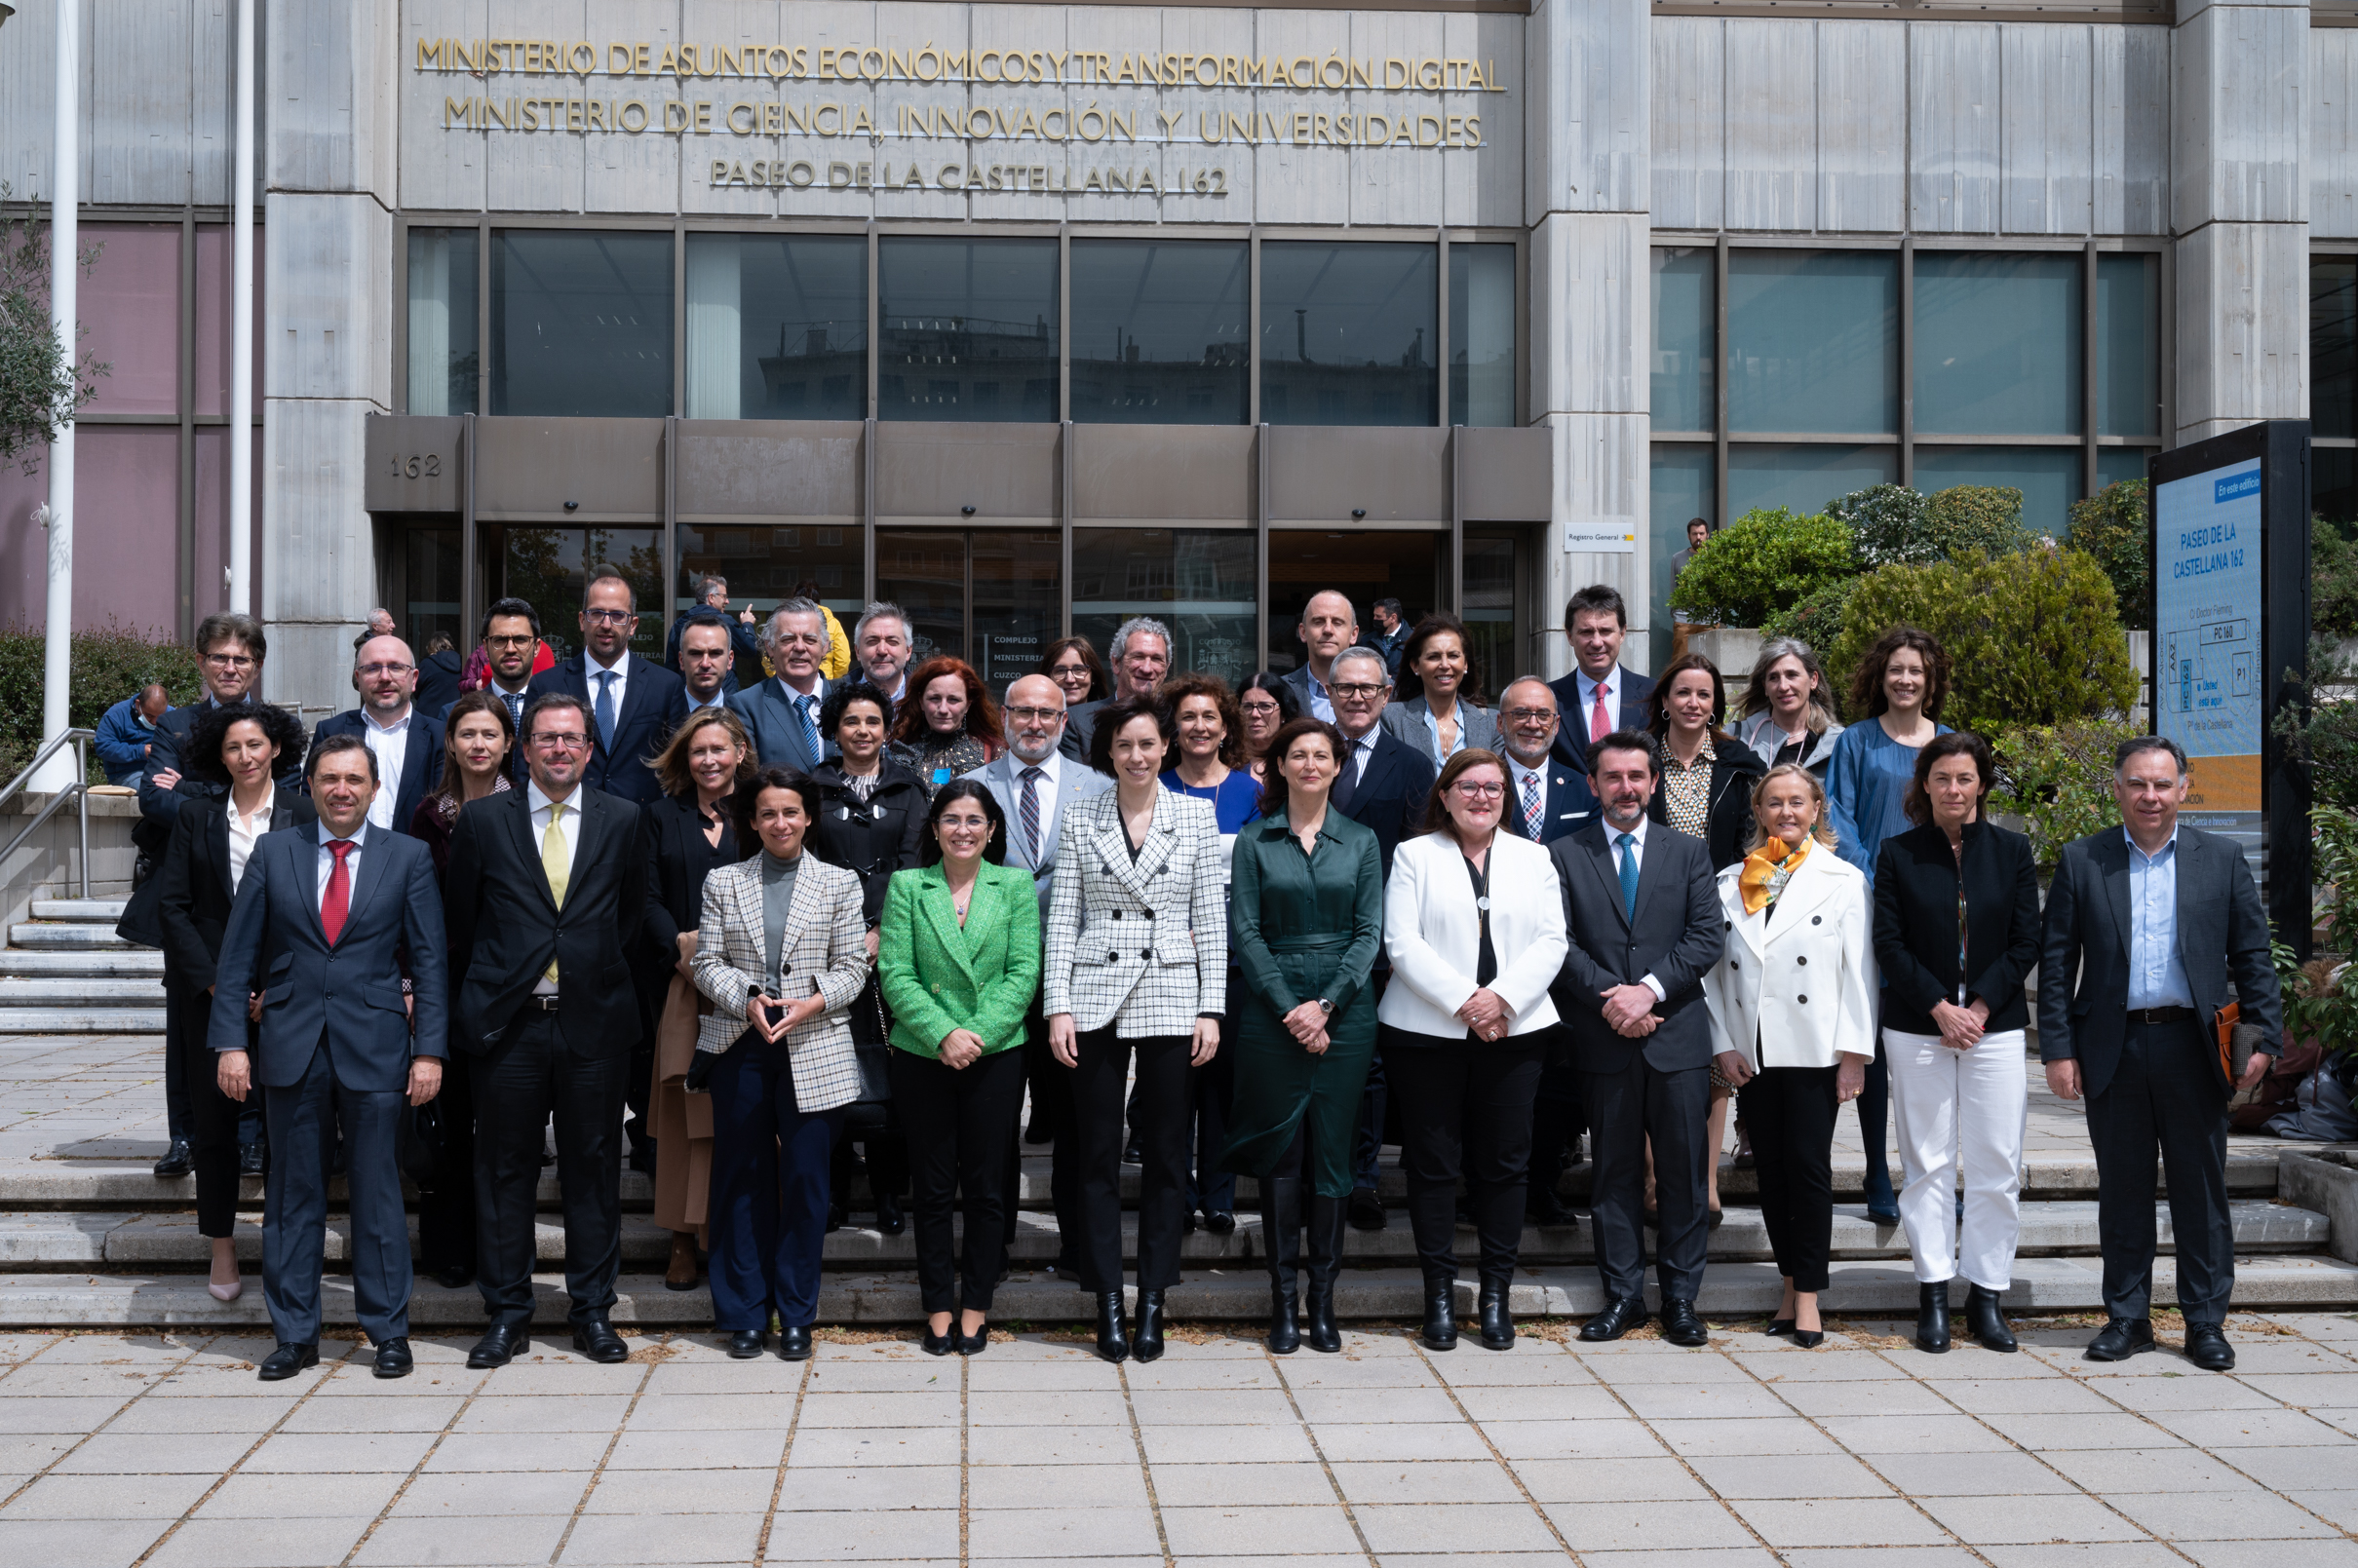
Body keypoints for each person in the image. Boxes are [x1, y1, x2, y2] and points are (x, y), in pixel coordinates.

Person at [208, 733, 448, 1381]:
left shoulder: (407, 856)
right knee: (293, 1198)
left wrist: (429, 1051)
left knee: (378, 1195)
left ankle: (389, 1331)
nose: (342, 790)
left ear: (374, 788)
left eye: (354, 779)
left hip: (377, 1048)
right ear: (309, 786)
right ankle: (294, 1335)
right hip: (292, 1047)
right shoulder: (274, 851)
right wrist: (230, 1043)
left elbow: (429, 962)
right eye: (330, 779)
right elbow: (237, 956)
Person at [2039, 736, 2281, 1373]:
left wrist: (2263, 1039)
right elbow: (2057, 962)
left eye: (2162, 783)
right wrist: (2058, 1050)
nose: (2150, 796)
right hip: (2111, 1046)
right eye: (2138, 783)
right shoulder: (2083, 859)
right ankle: (2128, 1318)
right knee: (2123, 1189)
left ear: (2183, 788)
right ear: (2118, 788)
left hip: (2192, 1046)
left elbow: (2252, 956)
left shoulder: (2220, 859)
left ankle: (2204, 1322)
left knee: (2200, 1189)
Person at [444, 692, 648, 1370]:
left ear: (589, 749)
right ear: (523, 748)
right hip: (510, 1026)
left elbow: (627, 917)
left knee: (594, 1168)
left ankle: (592, 1310)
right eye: (546, 738)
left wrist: (585, 969)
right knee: (504, 1170)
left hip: (595, 1023)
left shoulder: (624, 817)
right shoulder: (482, 821)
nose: (559, 749)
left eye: (571, 739)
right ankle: (507, 1313)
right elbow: (463, 920)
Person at [1043, 696, 1227, 1364]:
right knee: (1095, 1152)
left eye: (1147, 743)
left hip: (1172, 990)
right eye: (1124, 745)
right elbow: (1063, 916)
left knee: (1167, 1155)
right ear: (1109, 752)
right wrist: (1056, 1005)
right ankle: (1106, 1300)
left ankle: (1152, 1297)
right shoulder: (1081, 814)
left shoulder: (1195, 815)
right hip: (1093, 991)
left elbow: (1210, 918)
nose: (1136, 756)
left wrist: (1212, 1007)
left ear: (1166, 747)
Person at [1379, 749, 1568, 1352]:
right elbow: (1401, 942)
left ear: (1506, 797)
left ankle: (1494, 1296)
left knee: (1505, 1166)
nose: (1481, 797)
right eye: (1468, 786)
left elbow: (1552, 940)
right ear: (1445, 794)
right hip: (1428, 1034)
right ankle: (1438, 1295)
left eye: (1493, 787)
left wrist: (1502, 1000)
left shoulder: (1535, 857)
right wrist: (1467, 1001)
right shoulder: (1414, 855)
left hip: (1515, 1031)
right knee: (1433, 1166)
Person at [1548, 731, 1723, 1347]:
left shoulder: (1689, 852)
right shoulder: (1563, 854)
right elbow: (1557, 942)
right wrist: (1614, 1000)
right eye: (1613, 777)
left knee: (1682, 1174)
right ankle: (1623, 1296)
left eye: (1636, 776)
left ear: (1653, 782)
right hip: (1603, 1038)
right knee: (1613, 1174)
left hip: (1677, 1037)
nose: (1626, 788)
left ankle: (1680, 1299)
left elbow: (1706, 937)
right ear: (1593, 784)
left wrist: (1646, 991)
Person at [690, 767, 871, 1362]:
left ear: (809, 817)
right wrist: (746, 998)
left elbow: (854, 967)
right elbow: (706, 961)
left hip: (814, 1042)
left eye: (790, 811)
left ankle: (796, 1313)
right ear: (752, 820)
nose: (780, 822)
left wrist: (810, 1002)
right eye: (767, 813)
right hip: (739, 1043)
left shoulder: (840, 883)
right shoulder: (723, 881)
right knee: (740, 1179)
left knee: (806, 1182)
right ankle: (744, 1313)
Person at [138, 702, 313, 1303]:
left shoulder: (303, 814)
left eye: (255, 745)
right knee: (214, 1126)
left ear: (277, 749)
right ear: (220, 754)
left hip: (287, 995)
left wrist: (275, 987)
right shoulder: (196, 816)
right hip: (210, 995)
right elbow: (175, 907)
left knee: (287, 1126)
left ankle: (285, 1244)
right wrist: (221, 986)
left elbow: (314, 909)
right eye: (234, 747)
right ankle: (221, 1243)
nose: (245, 756)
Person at [1874, 732, 2041, 1355]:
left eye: (1964, 778)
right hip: (1919, 1026)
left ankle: (1988, 1295)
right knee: (1927, 1164)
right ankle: (1934, 1293)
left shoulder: (2012, 851)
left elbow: (2027, 940)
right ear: (1925, 785)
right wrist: (1940, 1007)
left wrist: (1979, 1007)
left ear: (1981, 786)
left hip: (1994, 1027)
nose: (1953, 789)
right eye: (1941, 778)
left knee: (1997, 1162)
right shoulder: (1898, 853)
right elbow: (1888, 943)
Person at [1221, 717, 1383, 1354]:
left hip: (1346, 1015)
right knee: (1282, 1154)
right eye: (1298, 754)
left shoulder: (1362, 840)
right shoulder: (1254, 839)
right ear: (1280, 765)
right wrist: (1292, 1008)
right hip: (1272, 1013)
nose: (1310, 764)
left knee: (1334, 1153)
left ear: (1337, 766)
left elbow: (1368, 933)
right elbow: (1246, 931)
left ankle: (1323, 1301)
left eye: (1322, 754)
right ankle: (1282, 1301)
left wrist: (1326, 1005)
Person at [1705, 764, 1876, 1350]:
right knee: (1771, 1174)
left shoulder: (1843, 879)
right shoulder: (1733, 880)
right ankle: (1787, 1284)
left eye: (1797, 802)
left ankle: (1809, 1296)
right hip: (1752, 1050)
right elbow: (1712, 976)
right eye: (1774, 802)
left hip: (1814, 1049)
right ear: (1758, 811)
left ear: (1816, 808)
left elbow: (1860, 974)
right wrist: (1723, 1042)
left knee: (1807, 1170)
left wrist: (1854, 1056)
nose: (1786, 812)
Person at [877, 782, 1042, 1356]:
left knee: (987, 1188)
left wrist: (975, 1036)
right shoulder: (908, 885)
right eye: (951, 819)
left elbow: (1024, 972)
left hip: (995, 1054)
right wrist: (943, 1033)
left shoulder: (1014, 885)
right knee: (931, 1189)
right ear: (934, 828)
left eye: (975, 820)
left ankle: (976, 1307)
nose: (963, 830)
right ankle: (938, 1308)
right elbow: (895, 971)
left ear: (992, 830)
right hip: (924, 1054)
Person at [963, 675, 1114, 1280]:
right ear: (1003, 716)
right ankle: (990, 1252)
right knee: (994, 1122)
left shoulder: (1097, 787)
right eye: (1022, 711)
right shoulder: (972, 788)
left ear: (1063, 721)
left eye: (1047, 714)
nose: (1034, 723)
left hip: (1076, 981)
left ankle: (1078, 1249)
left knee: (1078, 1119)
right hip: (994, 978)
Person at [135, 612, 281, 1180]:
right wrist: (220, 793)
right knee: (188, 1022)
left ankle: (251, 1136)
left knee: (260, 1017)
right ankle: (186, 1135)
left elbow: (283, 797)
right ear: (201, 662)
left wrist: (192, 788)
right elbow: (154, 801)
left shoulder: (276, 725)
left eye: (241, 658)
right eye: (220, 656)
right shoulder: (175, 724)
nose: (230, 667)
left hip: (262, 893)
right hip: (193, 902)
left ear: (257, 666)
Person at [1825, 626, 1953, 1227]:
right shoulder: (1855, 741)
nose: (1905, 679)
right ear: (1880, 675)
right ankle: (1877, 1171)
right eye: (1896, 669)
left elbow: (1961, 815)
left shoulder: (1949, 743)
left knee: (1930, 1048)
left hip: (1934, 908)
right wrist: (1877, 881)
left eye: (1916, 671)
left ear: (1931, 681)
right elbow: (1838, 817)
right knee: (1871, 1044)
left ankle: (1933, 1174)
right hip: (1870, 901)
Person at [1646, 652, 1767, 1226]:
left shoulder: (1741, 765)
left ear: (1715, 703)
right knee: (1655, 1046)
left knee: (1718, 1048)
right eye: (1683, 692)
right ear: (1665, 701)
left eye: (1704, 694)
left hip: (1719, 918)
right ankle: (1653, 1179)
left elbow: (1759, 842)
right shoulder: (1642, 760)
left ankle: (1706, 1180)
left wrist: (1751, 902)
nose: (1693, 703)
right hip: (1648, 914)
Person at [1325, 644, 1438, 1231]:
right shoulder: (1306, 752)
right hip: (1308, 933)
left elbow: (1421, 859)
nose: (1357, 697)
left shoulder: (1413, 765)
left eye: (1368, 688)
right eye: (1345, 687)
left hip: (1378, 940)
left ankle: (1363, 1178)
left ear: (1387, 694)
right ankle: (1319, 1176)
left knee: (1368, 1066)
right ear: (1328, 692)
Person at [406, 690, 517, 1288]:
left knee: (499, 1126)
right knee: (448, 1119)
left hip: (509, 984)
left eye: (489, 734)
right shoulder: (430, 816)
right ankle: (449, 1248)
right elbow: (412, 905)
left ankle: (499, 1252)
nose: (478, 744)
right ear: (450, 743)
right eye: (467, 734)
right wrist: (411, 983)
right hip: (445, 982)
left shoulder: (527, 807)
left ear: (508, 743)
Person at [640, 708, 754, 1291]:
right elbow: (646, 900)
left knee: (744, 1113)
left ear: (740, 752)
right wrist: (686, 955)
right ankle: (682, 1239)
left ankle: (734, 1236)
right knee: (685, 1115)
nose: (709, 760)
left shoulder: (760, 813)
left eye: (718, 749)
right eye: (698, 751)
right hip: (684, 984)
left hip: (752, 986)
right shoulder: (660, 817)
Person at [809, 681, 928, 1234]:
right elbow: (806, 862)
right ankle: (833, 1189)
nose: (862, 730)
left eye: (873, 721)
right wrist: (842, 936)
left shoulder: (909, 788)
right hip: (825, 948)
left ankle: (888, 1192)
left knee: (891, 1067)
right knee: (828, 1066)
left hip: (893, 947)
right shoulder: (814, 787)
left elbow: (913, 865)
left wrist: (881, 928)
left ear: (887, 728)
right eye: (851, 721)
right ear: (835, 730)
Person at [1493, 676, 1599, 1228]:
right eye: (1520, 714)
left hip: (1567, 959)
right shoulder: (1479, 783)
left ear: (1557, 724)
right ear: (1500, 722)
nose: (1532, 724)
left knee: (1560, 1087)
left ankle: (1543, 1187)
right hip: (1496, 958)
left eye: (1543, 715)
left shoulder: (1583, 788)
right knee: (1497, 1083)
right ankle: (1489, 1189)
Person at [1160, 673, 1261, 1234]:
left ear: (1226, 729)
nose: (1199, 727)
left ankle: (1219, 1196)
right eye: (1188, 717)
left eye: (1209, 718)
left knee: (1223, 1084)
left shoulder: (1252, 793)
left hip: (1233, 959)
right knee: (1174, 1085)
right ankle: (1176, 1196)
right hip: (1167, 960)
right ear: (1174, 729)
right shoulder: (1154, 787)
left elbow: (1260, 878)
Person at [528, 568, 690, 808]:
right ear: (582, 620)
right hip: (567, 819)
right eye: (596, 614)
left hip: (643, 822)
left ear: (633, 625)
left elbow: (680, 768)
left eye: (617, 615)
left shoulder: (666, 686)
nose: (606, 624)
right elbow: (528, 762)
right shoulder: (545, 684)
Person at [313, 634, 447, 837]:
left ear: (414, 679)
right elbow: (314, 803)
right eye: (373, 668)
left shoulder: (440, 737)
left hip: (417, 854)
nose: (385, 677)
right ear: (358, 679)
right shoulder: (330, 731)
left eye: (396, 667)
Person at [1548, 585, 1654, 774]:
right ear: (1570, 636)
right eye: (1586, 632)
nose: (1597, 642)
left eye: (1605, 631)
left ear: (1622, 633)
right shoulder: (1549, 699)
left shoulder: (1653, 694)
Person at [729, 598, 836, 774]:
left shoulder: (847, 701)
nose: (800, 647)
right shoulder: (745, 706)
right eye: (788, 639)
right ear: (770, 647)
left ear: (825, 647)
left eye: (810, 639)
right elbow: (745, 779)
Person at [1380, 613, 1500, 767]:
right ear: (1416, 666)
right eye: (1434, 657)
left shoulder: (1492, 723)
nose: (1444, 665)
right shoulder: (1391, 719)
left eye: (1453, 656)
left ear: (1465, 664)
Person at [1060, 616, 1172, 765]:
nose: (1147, 668)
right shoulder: (1077, 722)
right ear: (1116, 663)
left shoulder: (1176, 723)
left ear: (1166, 668)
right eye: (1138, 657)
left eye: (1156, 659)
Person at [1736, 637, 1845, 779]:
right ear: (1765, 687)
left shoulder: (1839, 744)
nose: (1783, 686)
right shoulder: (1739, 737)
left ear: (1813, 680)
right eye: (1773, 678)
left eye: (1792, 675)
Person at [894, 656, 1004, 794]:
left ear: (968, 704)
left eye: (953, 700)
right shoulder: (902, 753)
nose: (943, 709)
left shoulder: (993, 754)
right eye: (934, 698)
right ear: (921, 702)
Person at [469, 597, 547, 785]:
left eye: (520, 640)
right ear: (485, 648)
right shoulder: (459, 714)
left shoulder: (559, 713)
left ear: (536, 647)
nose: (510, 649)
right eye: (500, 640)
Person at [665, 573, 762, 695]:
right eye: (724, 596)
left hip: (687, 695)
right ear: (711, 597)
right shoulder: (724, 622)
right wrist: (747, 624)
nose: (727, 601)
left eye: (715, 653)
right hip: (723, 695)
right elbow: (750, 649)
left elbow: (671, 668)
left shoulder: (678, 624)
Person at [1284, 590, 1361, 721]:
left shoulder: (1385, 692)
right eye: (1318, 622)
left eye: (1337, 622)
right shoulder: (1279, 690)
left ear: (1353, 634)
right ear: (1303, 632)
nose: (1328, 630)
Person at [95, 683, 170, 785]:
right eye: (149, 716)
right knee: (155, 788)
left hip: (163, 773)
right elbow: (103, 747)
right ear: (138, 704)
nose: (154, 722)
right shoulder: (115, 715)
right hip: (126, 774)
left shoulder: (172, 714)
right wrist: (141, 751)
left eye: (160, 717)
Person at [1237, 672, 1301, 784]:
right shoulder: (1225, 760)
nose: (1255, 714)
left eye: (1265, 706)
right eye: (1247, 707)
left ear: (1284, 714)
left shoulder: (1298, 761)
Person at [675, 611, 740, 712]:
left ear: (730, 659)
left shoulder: (743, 716)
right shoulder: (661, 714)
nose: (705, 664)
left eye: (715, 653)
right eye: (696, 653)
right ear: (681, 660)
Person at [855, 602, 917, 703]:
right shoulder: (834, 697)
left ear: (908, 651)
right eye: (872, 642)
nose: (882, 650)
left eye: (892, 642)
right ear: (858, 651)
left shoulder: (924, 697)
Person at [799, 578, 854, 682]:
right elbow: (843, 659)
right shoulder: (833, 622)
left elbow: (769, 654)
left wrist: (778, 675)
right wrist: (834, 682)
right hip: (824, 681)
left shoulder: (784, 620)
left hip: (790, 680)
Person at [1041, 635, 1110, 710]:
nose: (1070, 680)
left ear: (1093, 677)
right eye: (1060, 670)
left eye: (1079, 669)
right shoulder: (1035, 717)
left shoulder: (1109, 717)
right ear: (1048, 677)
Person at [1668, 518, 1711, 621]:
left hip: (1709, 619)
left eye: (1701, 533)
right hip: (1683, 619)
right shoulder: (1678, 558)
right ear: (1689, 536)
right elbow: (1673, 588)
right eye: (1694, 534)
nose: (1698, 537)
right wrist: (1675, 613)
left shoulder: (1715, 557)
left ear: (1707, 535)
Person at [416, 632, 464, 716]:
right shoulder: (462, 662)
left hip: (428, 716)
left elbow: (416, 690)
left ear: (431, 647)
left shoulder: (427, 664)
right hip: (454, 714)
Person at [1371, 597, 1409, 678]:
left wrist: (1392, 678)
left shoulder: (1413, 640)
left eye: (1378, 616)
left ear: (1393, 618)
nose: (1374, 619)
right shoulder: (1368, 639)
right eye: (1374, 615)